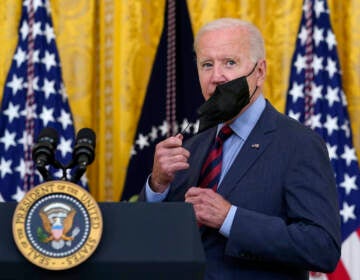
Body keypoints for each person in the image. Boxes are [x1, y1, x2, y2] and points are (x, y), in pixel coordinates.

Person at [138, 18, 341, 279]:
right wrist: (157, 186)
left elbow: (322, 247)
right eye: (207, 65)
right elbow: (151, 240)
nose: (216, 77)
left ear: (260, 72)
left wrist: (230, 219)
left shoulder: (298, 143)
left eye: (230, 63)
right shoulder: (192, 146)